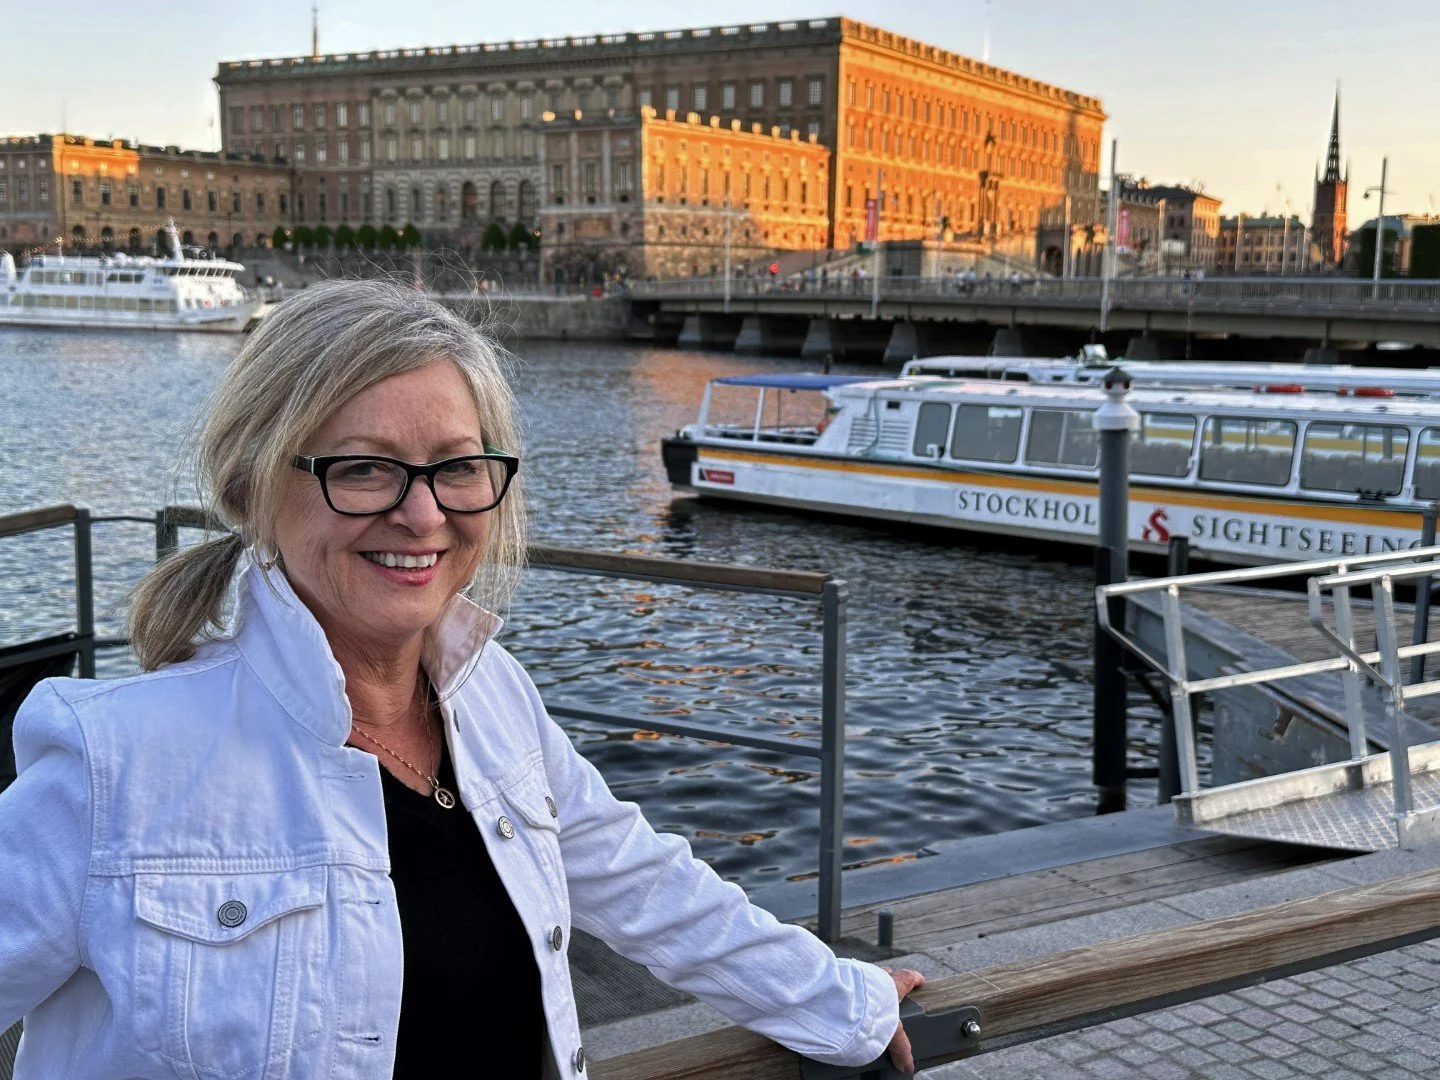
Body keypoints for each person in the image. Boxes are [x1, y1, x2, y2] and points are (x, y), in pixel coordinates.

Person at [0, 279, 922, 1078]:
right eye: (362, 469)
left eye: (456, 468)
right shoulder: (112, 764)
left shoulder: (492, 698)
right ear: (250, 490)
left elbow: (646, 886)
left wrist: (848, 1006)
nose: (421, 512)